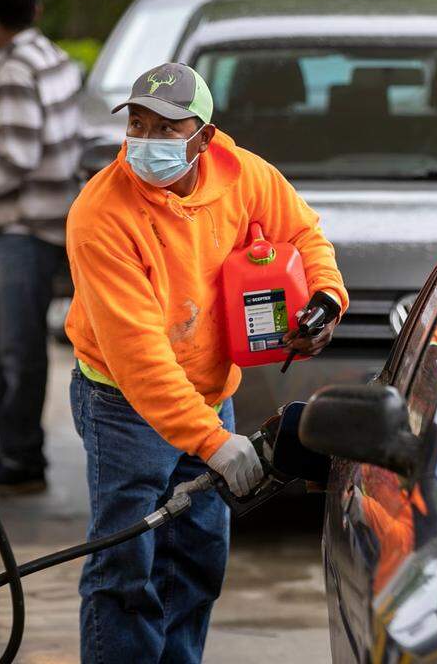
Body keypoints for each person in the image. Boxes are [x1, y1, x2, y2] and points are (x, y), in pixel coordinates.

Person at [64, 62, 348, 662]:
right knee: (125, 570)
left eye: (168, 129)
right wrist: (212, 441)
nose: (147, 142)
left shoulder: (243, 174)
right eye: (138, 124)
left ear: (203, 137)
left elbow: (304, 232)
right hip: (123, 404)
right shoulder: (101, 215)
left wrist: (325, 297)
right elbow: (139, 356)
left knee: (195, 559)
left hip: (209, 389)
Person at [0, 0, 83, 494]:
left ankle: (23, 458)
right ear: (35, 11)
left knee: (13, 349)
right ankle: (12, 446)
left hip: (25, 229)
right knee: (1, 346)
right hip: (53, 220)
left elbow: (17, 159)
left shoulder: (12, 71)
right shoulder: (56, 59)